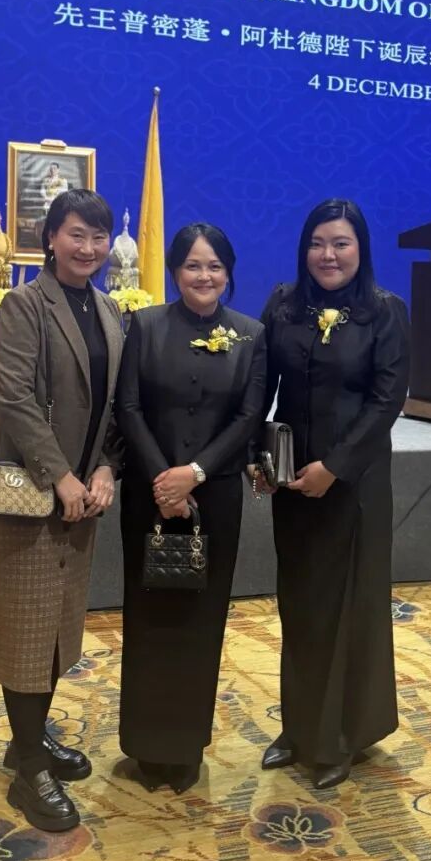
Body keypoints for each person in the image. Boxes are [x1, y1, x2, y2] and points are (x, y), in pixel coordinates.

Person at [0, 188, 124, 832]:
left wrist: (105, 468)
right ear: (51, 239)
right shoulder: (25, 304)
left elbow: (117, 403)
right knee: (25, 630)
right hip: (33, 495)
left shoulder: (109, 310)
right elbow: (12, 395)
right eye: (76, 234)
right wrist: (60, 475)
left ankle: (26, 744)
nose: (88, 248)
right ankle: (30, 772)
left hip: (82, 497)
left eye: (98, 236)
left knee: (58, 626)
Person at [255, 199, 410, 789]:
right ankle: (299, 727)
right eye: (318, 243)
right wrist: (258, 458)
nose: (328, 255)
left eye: (341, 243)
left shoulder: (384, 312)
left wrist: (336, 468)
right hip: (292, 481)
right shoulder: (284, 306)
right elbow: (260, 388)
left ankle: (341, 736)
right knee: (299, 604)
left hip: (355, 486)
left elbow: (386, 402)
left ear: (360, 249)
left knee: (347, 608)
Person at [116, 223, 267, 794]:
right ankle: (144, 744)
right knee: (148, 614)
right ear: (175, 271)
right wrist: (165, 479)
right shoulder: (146, 325)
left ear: (228, 272)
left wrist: (194, 474)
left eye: (215, 266)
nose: (204, 276)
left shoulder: (250, 335)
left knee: (202, 618)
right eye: (193, 266)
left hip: (215, 496)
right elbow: (129, 406)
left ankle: (184, 749)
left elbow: (249, 417)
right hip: (149, 494)